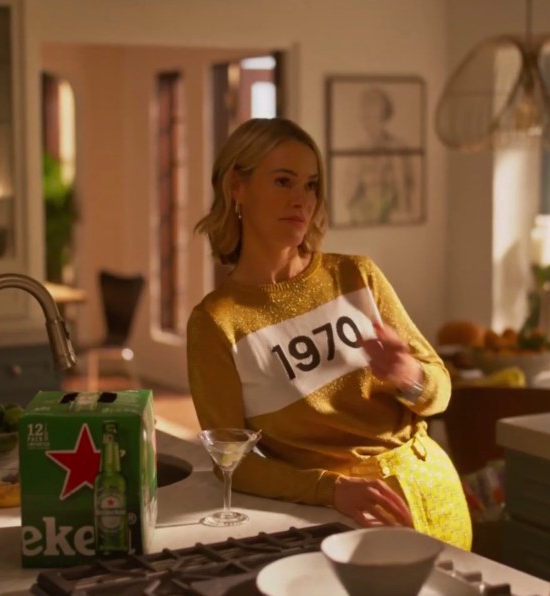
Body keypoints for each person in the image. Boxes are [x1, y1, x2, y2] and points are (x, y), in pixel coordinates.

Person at [186, 117, 471, 548]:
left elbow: (441, 393)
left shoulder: (356, 275)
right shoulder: (217, 323)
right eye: (284, 181)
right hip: (342, 517)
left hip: (434, 492)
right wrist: (331, 490)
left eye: (311, 185)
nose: (302, 200)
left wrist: (408, 376)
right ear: (236, 188)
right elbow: (235, 465)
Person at [345, 87, 418, 225]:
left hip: (393, 215)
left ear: (384, 117)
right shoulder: (358, 150)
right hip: (363, 215)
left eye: (374, 116)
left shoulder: (398, 146)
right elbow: (349, 194)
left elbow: (405, 186)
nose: (369, 122)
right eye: (366, 116)